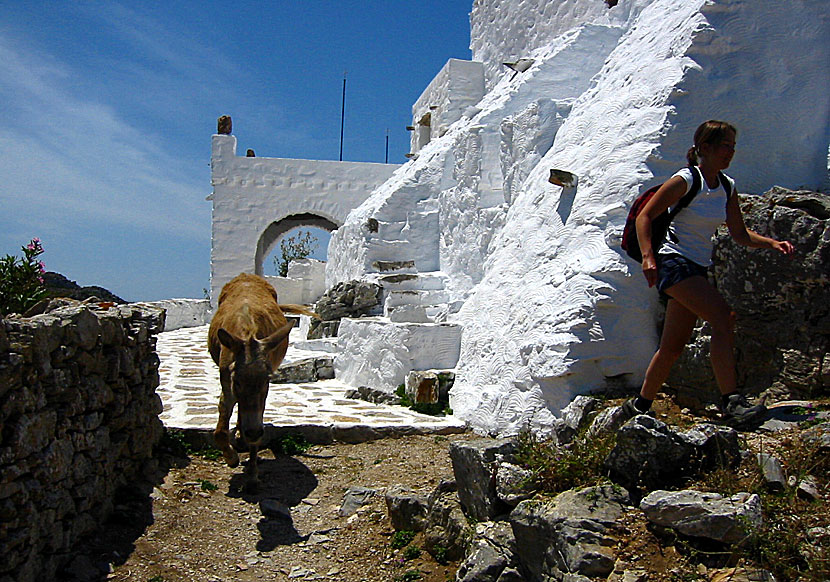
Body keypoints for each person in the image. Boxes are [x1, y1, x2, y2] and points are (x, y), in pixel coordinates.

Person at [624, 120, 794, 426]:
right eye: (724, 145)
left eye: (732, 146)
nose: (730, 152)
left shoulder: (727, 187)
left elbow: (740, 233)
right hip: (673, 262)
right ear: (704, 148)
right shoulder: (687, 180)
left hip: (696, 268)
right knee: (722, 317)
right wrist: (648, 256)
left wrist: (771, 243)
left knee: (673, 347)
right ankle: (732, 402)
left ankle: (639, 405)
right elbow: (646, 216)